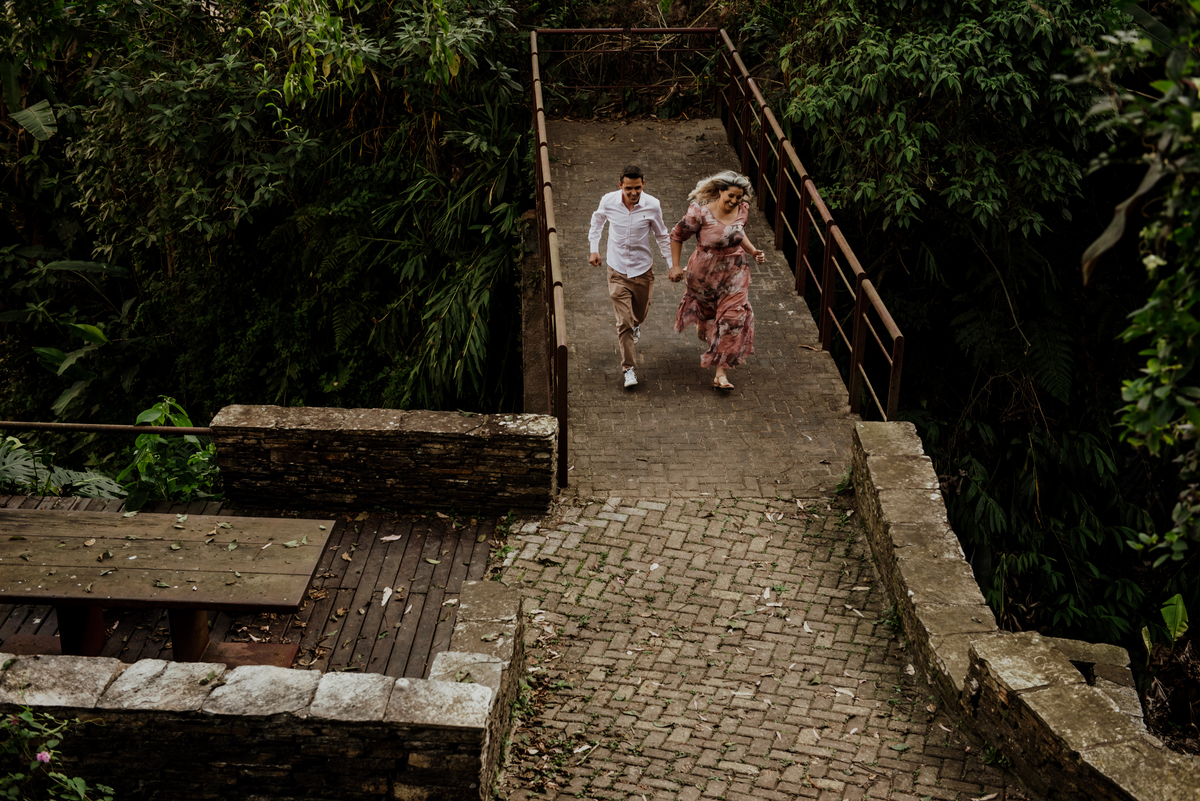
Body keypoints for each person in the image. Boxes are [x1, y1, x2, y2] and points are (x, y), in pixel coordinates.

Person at [667, 170, 765, 390]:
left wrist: (752, 251)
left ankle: (721, 373)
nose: (734, 201)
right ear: (720, 191)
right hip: (704, 273)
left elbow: (738, 233)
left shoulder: (743, 210)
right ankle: (704, 320)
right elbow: (676, 235)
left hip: (735, 271)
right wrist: (675, 265)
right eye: (730, 196)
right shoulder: (699, 213)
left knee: (733, 318)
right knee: (709, 313)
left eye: (738, 198)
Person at [588, 164, 672, 389]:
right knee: (623, 322)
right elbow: (597, 222)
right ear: (620, 186)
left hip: (643, 270)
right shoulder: (608, 201)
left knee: (639, 315)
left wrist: (672, 264)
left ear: (643, 184)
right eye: (628, 189)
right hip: (616, 271)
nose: (633, 193)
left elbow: (662, 236)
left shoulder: (652, 205)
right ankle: (629, 369)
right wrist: (593, 248)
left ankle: (636, 324)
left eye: (637, 188)